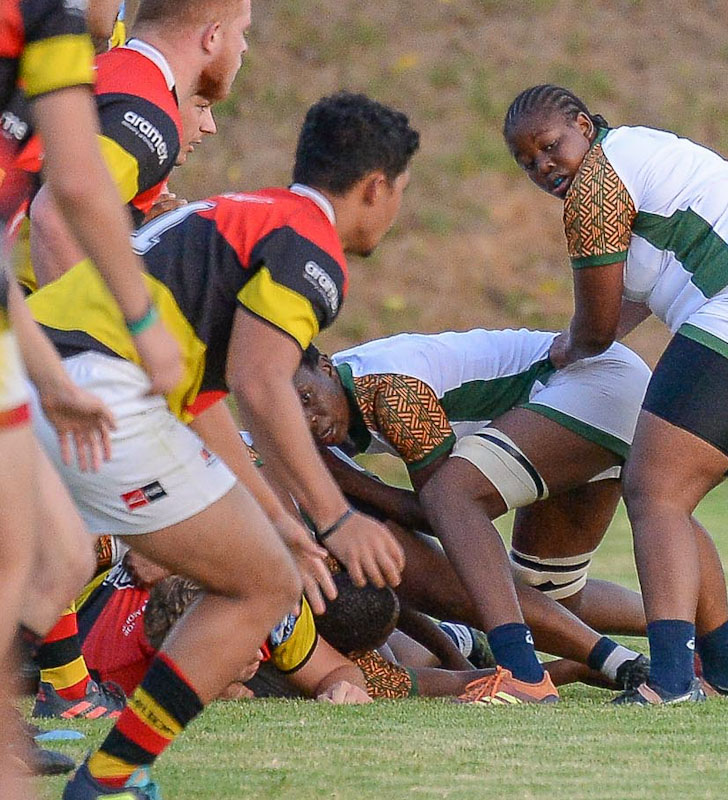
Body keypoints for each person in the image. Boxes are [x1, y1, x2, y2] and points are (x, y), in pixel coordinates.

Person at [26, 91, 417, 800]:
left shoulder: (236, 215)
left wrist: (277, 520)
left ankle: (98, 754)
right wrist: (333, 518)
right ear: (376, 186)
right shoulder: (310, 247)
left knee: (71, 562)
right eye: (401, 194)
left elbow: (207, 400)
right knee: (261, 586)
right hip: (89, 387)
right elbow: (260, 383)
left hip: (27, 369)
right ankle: (112, 777)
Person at [501, 84, 728, 704]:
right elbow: (627, 304)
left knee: (652, 489)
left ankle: (669, 680)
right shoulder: (635, 161)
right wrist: (571, 344)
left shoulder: (600, 184)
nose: (543, 167)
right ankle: (727, 671)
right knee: (669, 495)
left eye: (549, 147)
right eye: (527, 162)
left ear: (584, 124)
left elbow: (597, 329)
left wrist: (566, 350)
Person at [292, 328, 652, 703]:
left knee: (452, 499)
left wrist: (353, 483)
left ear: (327, 368)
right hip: (589, 395)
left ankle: (524, 673)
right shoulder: (322, 429)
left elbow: (446, 515)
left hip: (590, 385)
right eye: (290, 411)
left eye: (306, 397)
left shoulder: (391, 392)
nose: (308, 420)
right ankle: (689, 639)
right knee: (549, 591)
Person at [29, 89, 218, 723]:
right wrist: (89, 350)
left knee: (62, 536)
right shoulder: (145, 106)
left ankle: (64, 689)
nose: (210, 125)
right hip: (45, 353)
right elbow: (55, 219)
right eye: (202, 105)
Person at [16, 0, 252, 292]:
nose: (243, 47)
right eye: (242, 32)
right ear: (212, 35)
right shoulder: (147, 110)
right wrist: (82, 333)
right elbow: (54, 220)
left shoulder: (109, 67)